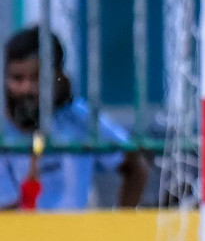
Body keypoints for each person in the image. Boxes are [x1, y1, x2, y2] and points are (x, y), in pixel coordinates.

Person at [0, 26, 148, 211]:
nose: (27, 88)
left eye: (37, 78)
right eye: (17, 78)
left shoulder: (80, 119)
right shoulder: (3, 131)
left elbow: (135, 166)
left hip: (76, 235)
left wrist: (120, 225)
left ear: (58, 76)